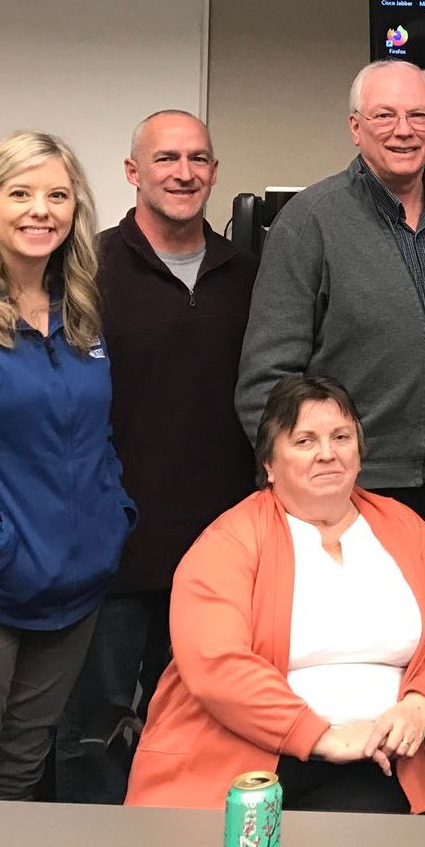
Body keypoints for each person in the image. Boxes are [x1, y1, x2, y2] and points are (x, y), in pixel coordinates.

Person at [125, 376, 425, 813]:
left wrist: (419, 706)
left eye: (341, 437)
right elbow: (216, 663)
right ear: (269, 463)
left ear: (359, 453)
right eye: (305, 441)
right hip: (238, 760)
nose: (327, 452)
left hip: (374, 761)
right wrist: (323, 737)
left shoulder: (405, 528)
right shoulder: (228, 541)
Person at [55, 110, 256, 803]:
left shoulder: (246, 273)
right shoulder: (87, 271)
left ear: (215, 172)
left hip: (217, 553)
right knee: (94, 732)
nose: (184, 172)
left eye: (199, 158)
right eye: (166, 158)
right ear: (133, 172)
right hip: (114, 549)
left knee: (198, 728)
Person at [237, 60, 425, 599]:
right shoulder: (310, 221)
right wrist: (306, 489)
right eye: (385, 115)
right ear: (356, 127)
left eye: (419, 115)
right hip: (352, 490)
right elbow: (267, 380)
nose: (404, 130)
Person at [0, 132, 134, 829]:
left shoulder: (80, 311)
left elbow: (96, 432)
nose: (41, 211)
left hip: (76, 585)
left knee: (22, 778)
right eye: (21, 194)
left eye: (57, 195)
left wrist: (110, 515)